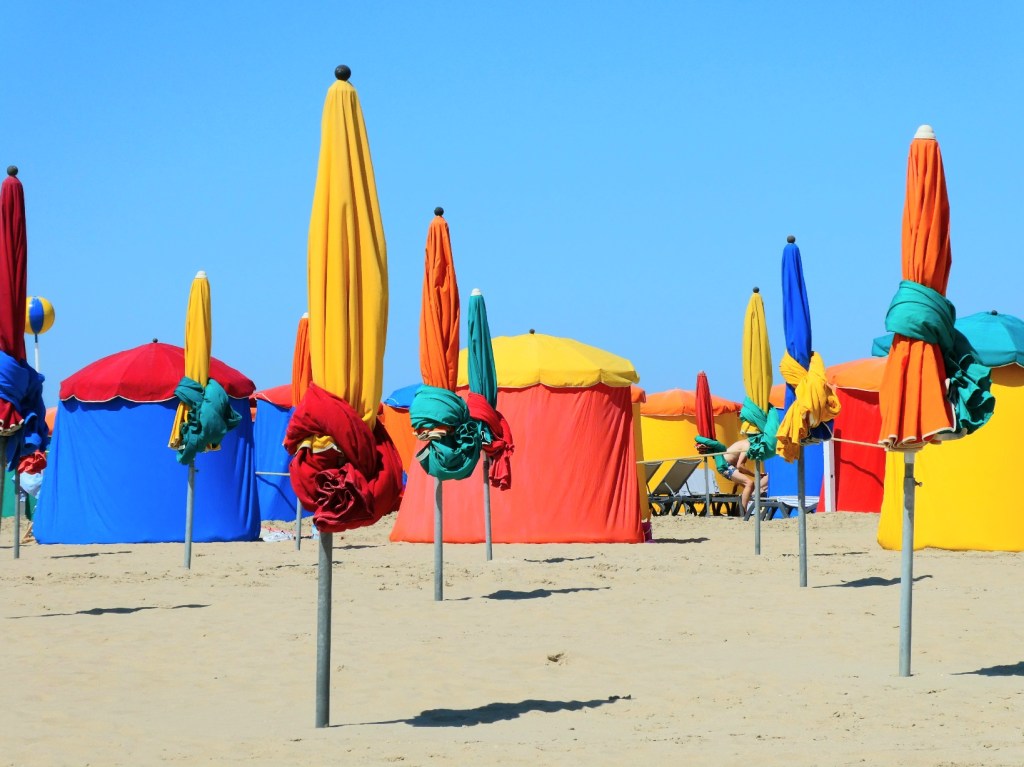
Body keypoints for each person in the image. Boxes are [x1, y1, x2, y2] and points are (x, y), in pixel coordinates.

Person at [698, 437, 768, 517]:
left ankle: (741, 509)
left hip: (727, 465)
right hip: (725, 465)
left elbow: (739, 468)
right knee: (749, 483)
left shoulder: (744, 443)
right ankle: (742, 511)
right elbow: (740, 466)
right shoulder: (747, 445)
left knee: (750, 486)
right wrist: (755, 475)